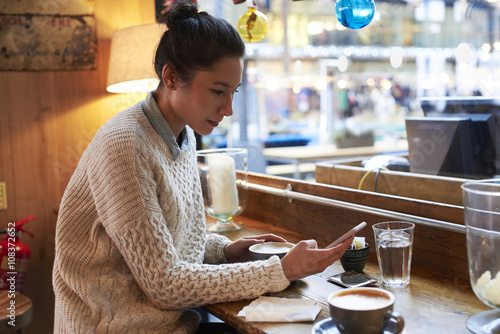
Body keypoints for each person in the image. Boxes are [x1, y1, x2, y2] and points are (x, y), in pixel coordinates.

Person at [52, 1, 353, 333]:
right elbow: (164, 283)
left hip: (174, 321)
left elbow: (177, 243)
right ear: (170, 77)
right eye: (217, 91)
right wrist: (281, 271)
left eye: (233, 92)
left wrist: (226, 251)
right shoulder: (125, 144)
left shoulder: (184, 135)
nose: (228, 108)